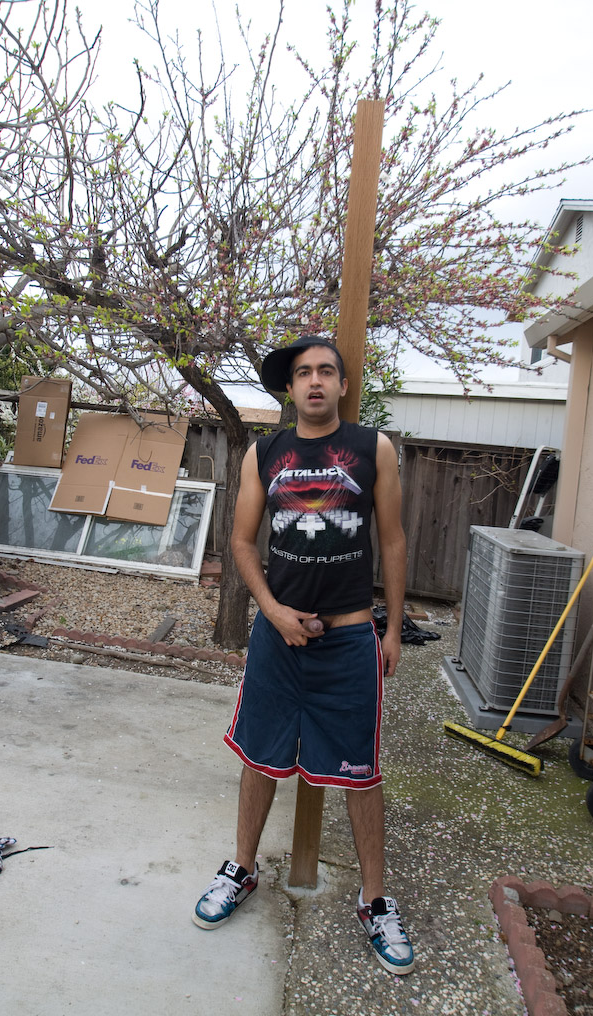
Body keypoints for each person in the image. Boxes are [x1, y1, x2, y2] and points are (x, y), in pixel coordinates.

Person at [192, 335, 414, 975]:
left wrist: (392, 630)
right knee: (259, 755)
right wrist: (270, 608)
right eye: (303, 373)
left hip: (348, 640)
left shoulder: (374, 449)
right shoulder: (264, 453)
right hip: (277, 638)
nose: (314, 381)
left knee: (360, 772)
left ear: (342, 384)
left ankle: (375, 901)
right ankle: (241, 869)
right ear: (289, 390)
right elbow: (241, 541)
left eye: (325, 371)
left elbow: (393, 542)